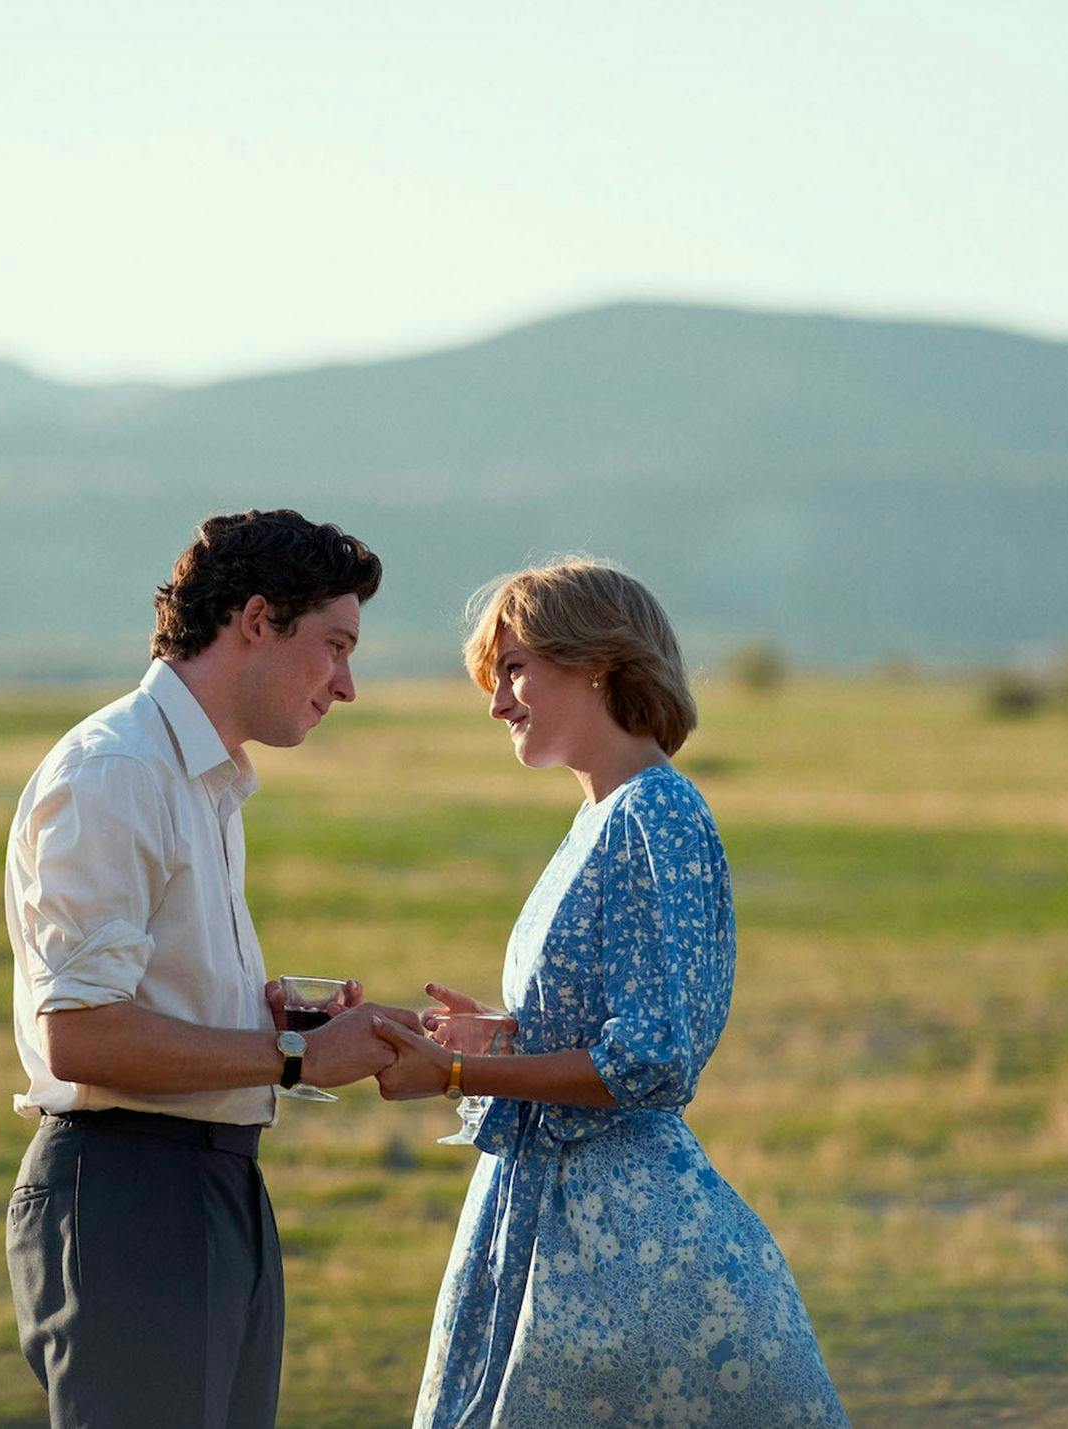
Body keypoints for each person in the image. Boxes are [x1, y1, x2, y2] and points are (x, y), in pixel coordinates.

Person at [372, 559, 849, 1427]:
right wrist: (503, 1036)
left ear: (595, 661)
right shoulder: (601, 812)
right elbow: (604, 1025)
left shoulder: (656, 811)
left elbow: (651, 1056)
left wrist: (455, 1075)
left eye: (515, 670)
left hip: (622, 1242)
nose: (498, 700)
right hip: (549, 1213)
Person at [4, 508, 419, 1429]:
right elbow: (81, 1034)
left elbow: (148, 1003)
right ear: (258, 620)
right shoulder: (118, 771)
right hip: (131, 1196)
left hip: (213, 1186)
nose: (347, 685)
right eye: (336, 646)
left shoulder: (205, 779)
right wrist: (296, 1055)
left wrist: (287, 1027)